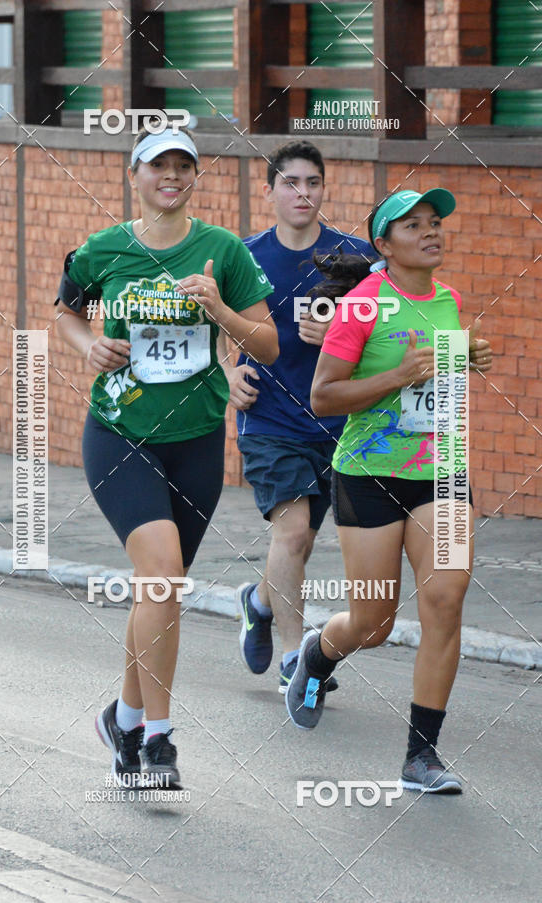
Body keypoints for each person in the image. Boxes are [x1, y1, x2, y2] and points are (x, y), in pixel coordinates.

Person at [54, 124, 278, 789]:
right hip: (120, 434)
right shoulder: (107, 252)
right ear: (136, 175)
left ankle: (120, 717)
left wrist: (221, 312)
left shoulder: (222, 251)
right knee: (162, 573)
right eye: (159, 166)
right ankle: (158, 736)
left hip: (199, 440)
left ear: (194, 178)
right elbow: (68, 312)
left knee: (164, 589)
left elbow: (266, 344)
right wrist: (85, 346)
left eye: (183, 165)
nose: (171, 175)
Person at [285, 188, 493, 794]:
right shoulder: (361, 305)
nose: (431, 232)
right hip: (370, 475)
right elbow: (324, 395)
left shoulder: (450, 300)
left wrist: (465, 359)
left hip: (444, 470)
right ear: (384, 243)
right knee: (374, 622)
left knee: (445, 602)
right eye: (414, 225)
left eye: (436, 223)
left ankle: (421, 757)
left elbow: (440, 380)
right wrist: (401, 374)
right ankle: (317, 656)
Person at [218, 141, 373, 693]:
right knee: (294, 532)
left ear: (323, 189)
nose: (302, 192)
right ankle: (293, 658)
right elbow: (214, 324)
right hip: (269, 418)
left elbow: (383, 332)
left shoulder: (355, 258)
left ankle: (259, 602)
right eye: (290, 182)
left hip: (338, 422)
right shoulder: (242, 255)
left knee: (304, 543)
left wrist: (338, 336)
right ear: (269, 192)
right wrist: (225, 374)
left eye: (312, 182)